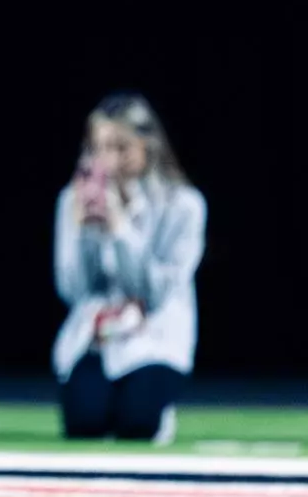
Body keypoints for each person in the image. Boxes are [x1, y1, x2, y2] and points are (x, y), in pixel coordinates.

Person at [52, 93, 205, 443]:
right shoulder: (73, 200)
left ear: (147, 145)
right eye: (99, 148)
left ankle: (156, 409)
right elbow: (73, 289)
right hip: (98, 338)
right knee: (83, 425)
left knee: (137, 423)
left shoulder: (183, 205)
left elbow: (155, 292)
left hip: (154, 337)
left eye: (121, 148)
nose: (109, 160)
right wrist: (85, 234)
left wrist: (120, 230)